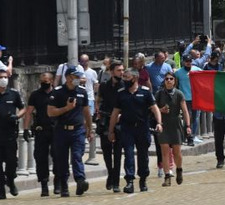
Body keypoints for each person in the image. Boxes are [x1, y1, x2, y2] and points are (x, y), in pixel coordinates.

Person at [109, 69, 162, 193]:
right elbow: (115, 113)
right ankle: (130, 181)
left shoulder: (145, 92)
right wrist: (111, 131)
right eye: (124, 77)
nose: (125, 80)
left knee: (143, 155)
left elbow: (155, 109)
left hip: (142, 128)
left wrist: (159, 123)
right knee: (128, 154)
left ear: (135, 78)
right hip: (127, 128)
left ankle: (143, 179)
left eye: (127, 77)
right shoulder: (121, 93)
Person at [48, 66, 94, 197]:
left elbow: (86, 112)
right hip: (61, 130)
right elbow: (50, 112)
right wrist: (66, 108)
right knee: (61, 159)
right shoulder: (57, 92)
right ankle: (64, 186)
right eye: (76, 76)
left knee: (77, 157)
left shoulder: (82, 92)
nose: (79, 79)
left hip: (78, 130)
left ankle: (80, 181)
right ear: (68, 77)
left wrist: (89, 129)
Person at [156, 73, 192, 186]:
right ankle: (167, 176)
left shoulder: (179, 93)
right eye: (167, 79)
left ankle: (179, 170)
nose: (169, 81)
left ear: (174, 81)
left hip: (176, 124)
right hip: (163, 124)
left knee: (177, 151)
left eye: (171, 79)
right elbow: (154, 108)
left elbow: (185, 111)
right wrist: (161, 110)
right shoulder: (159, 93)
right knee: (165, 151)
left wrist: (188, 125)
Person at [24, 72, 56, 196]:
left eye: (46, 81)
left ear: (52, 81)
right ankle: (44, 183)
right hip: (41, 129)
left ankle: (58, 180)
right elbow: (29, 112)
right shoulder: (35, 95)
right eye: (42, 81)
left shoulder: (57, 94)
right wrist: (26, 129)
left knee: (57, 156)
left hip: (55, 129)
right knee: (40, 157)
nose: (44, 83)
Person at [0, 69, 25, 199]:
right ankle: (1, 190)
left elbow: (23, 108)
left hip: (10, 135)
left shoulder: (13, 94)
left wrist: (16, 116)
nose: (3, 79)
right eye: (1, 77)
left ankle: (11, 181)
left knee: (11, 163)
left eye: (5, 77)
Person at [96, 61, 125, 192]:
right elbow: (98, 101)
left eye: (122, 70)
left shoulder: (125, 86)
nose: (122, 72)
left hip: (120, 121)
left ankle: (116, 181)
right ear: (112, 72)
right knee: (106, 150)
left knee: (118, 152)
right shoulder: (104, 86)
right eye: (119, 70)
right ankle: (111, 174)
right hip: (106, 120)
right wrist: (98, 113)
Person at [173, 55, 202, 145]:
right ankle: (188, 136)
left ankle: (193, 135)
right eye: (186, 61)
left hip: (196, 97)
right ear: (183, 62)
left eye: (190, 61)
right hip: (185, 98)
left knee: (196, 117)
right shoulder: (178, 72)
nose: (188, 62)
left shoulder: (197, 70)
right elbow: (175, 83)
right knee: (187, 117)